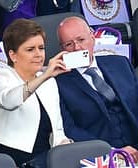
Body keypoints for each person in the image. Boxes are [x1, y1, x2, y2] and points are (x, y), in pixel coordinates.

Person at [0, 18, 72, 168]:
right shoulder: (1, 77)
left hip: (45, 156)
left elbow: (57, 129)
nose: (38, 54)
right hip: (9, 158)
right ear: (13, 55)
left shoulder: (49, 82)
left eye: (41, 48)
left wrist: (67, 147)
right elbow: (9, 101)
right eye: (30, 49)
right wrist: (44, 76)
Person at [56, 16, 138, 163]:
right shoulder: (59, 83)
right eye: (69, 44)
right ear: (62, 50)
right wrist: (111, 151)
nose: (77, 48)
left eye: (81, 40)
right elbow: (70, 129)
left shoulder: (120, 63)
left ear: (93, 37)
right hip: (103, 156)